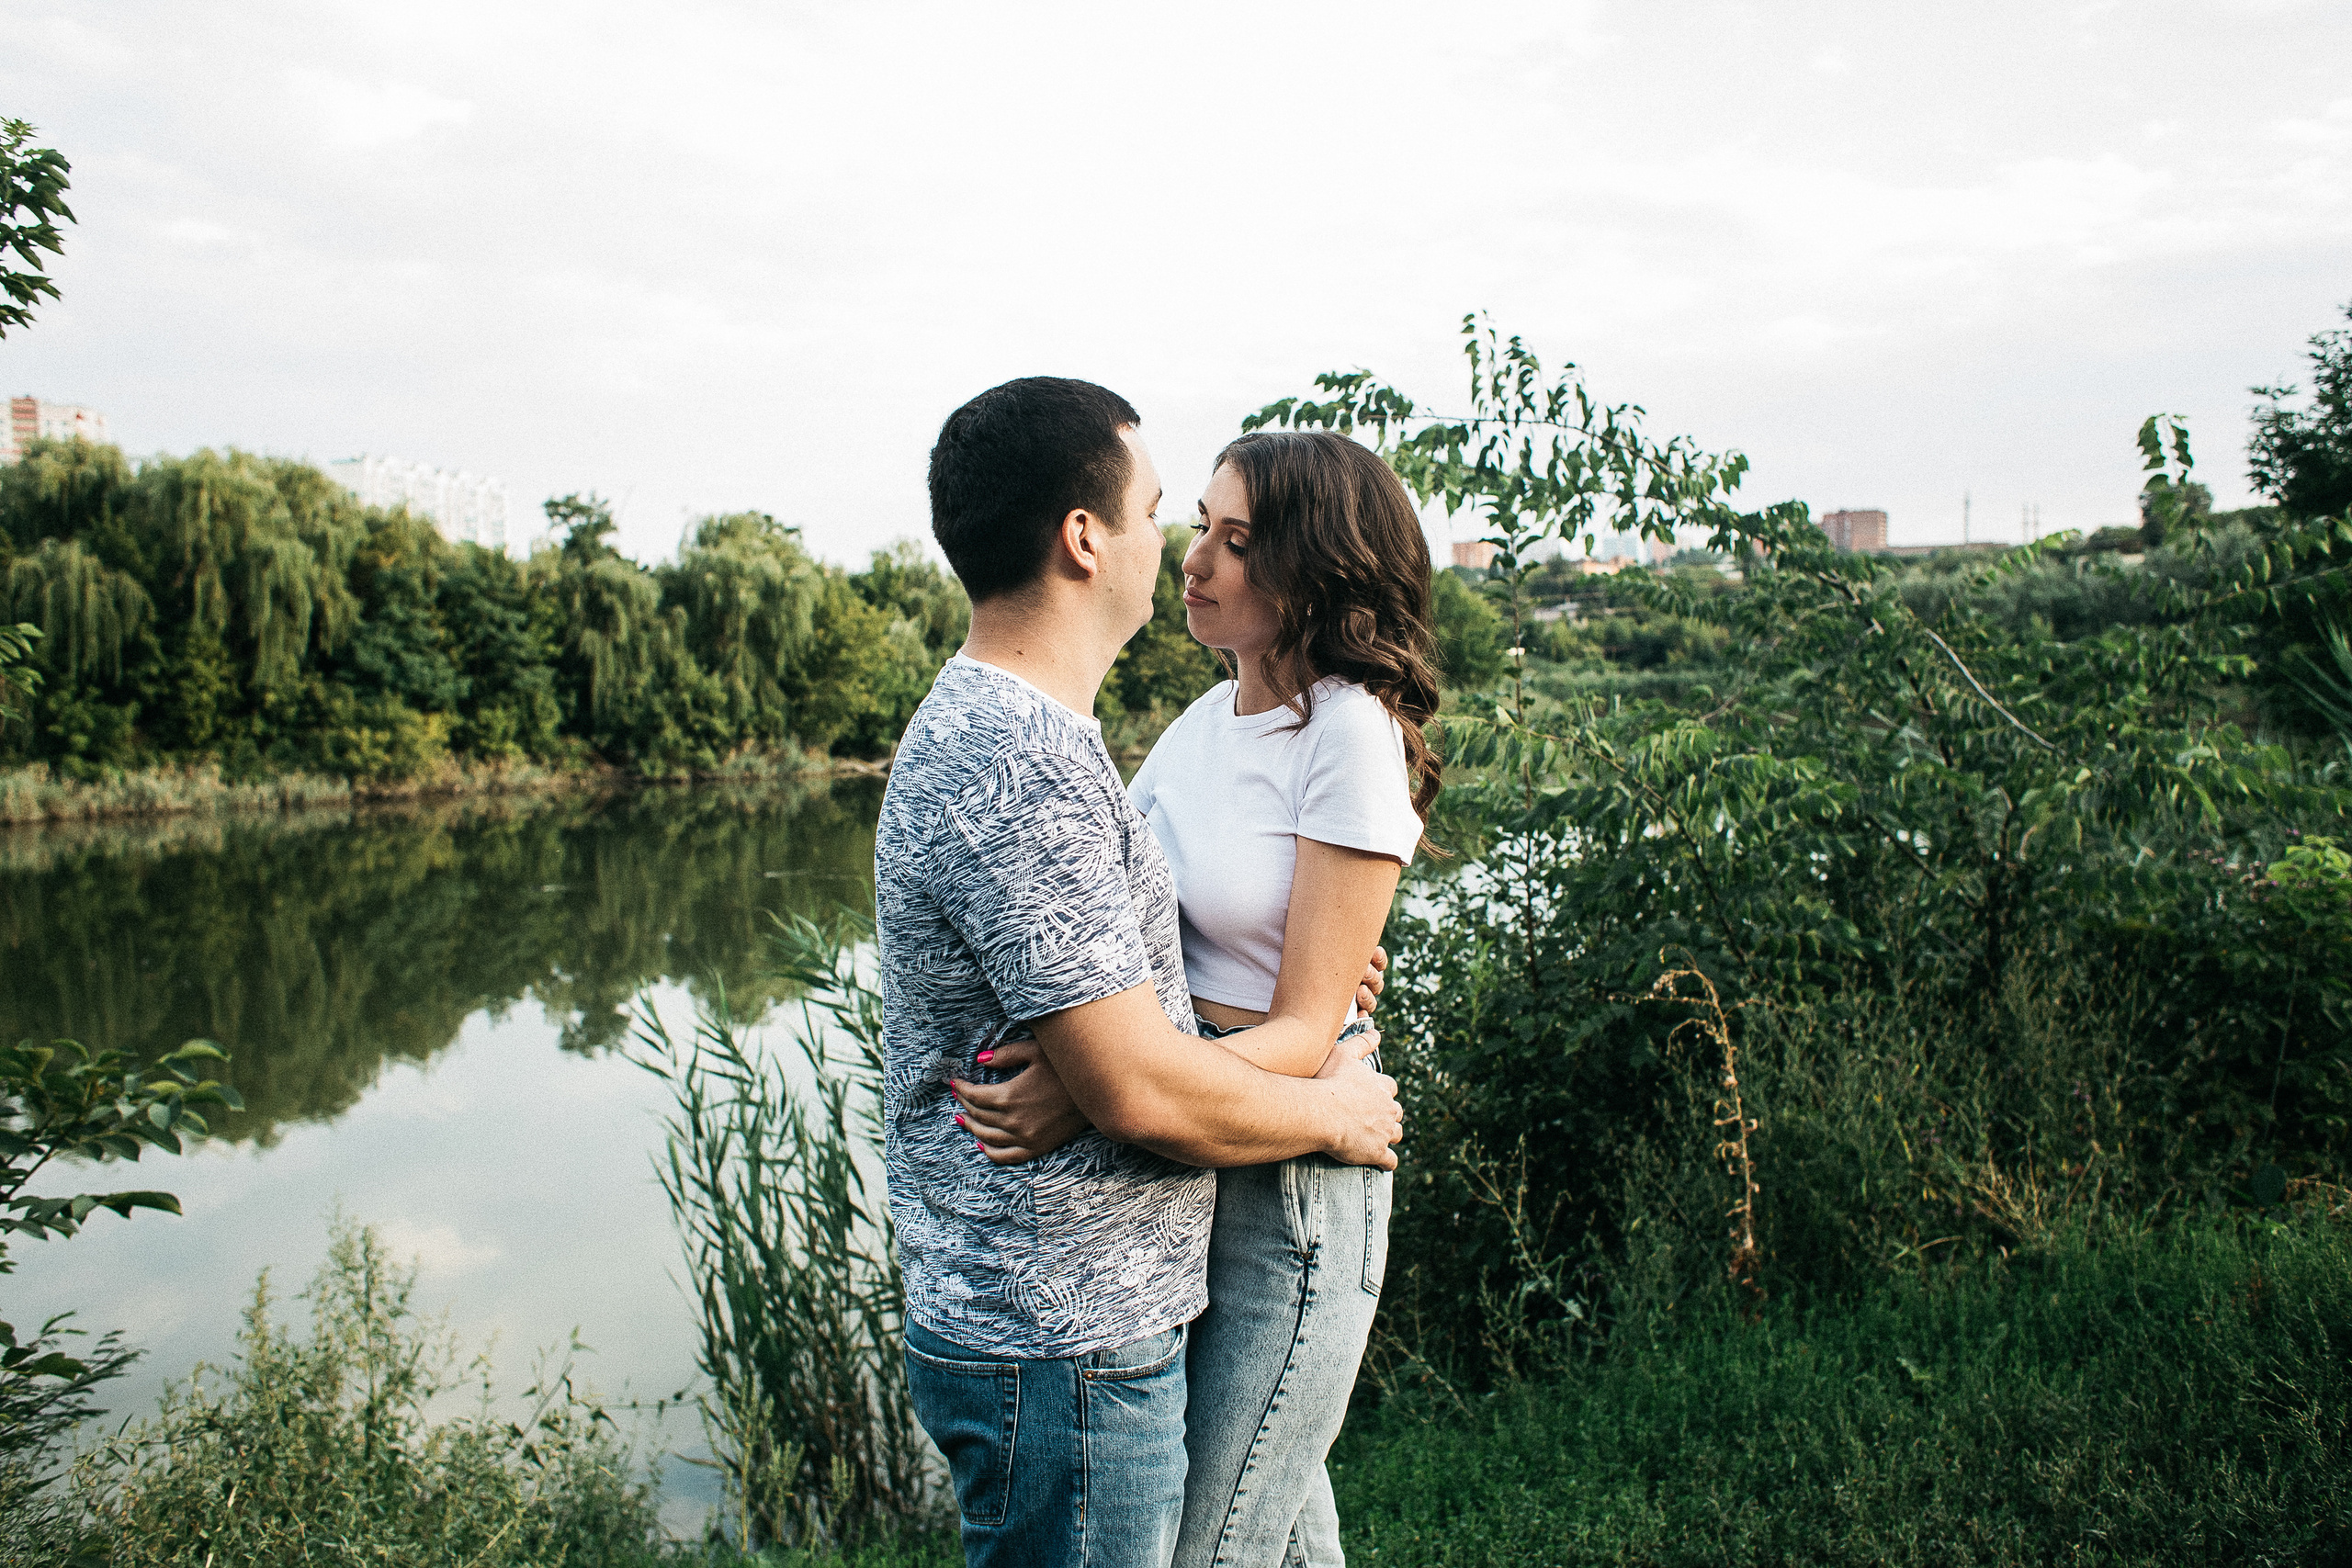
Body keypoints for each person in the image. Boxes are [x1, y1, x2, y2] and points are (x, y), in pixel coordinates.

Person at [877, 378, 1404, 1568]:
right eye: (1169, 513)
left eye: (1228, 532)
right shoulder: (1029, 759)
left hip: (1104, 1281)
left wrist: (1138, 1057)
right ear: (1084, 538)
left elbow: (1139, 1010)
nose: (1181, 549)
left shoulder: (1041, 740)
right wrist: (1324, 1102)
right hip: (1061, 1316)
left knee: (1274, 1533)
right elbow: (1134, 1085)